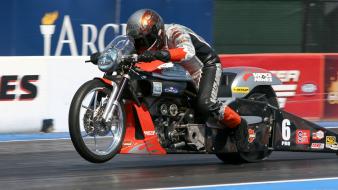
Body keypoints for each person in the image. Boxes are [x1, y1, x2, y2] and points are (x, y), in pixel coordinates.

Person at [126, 9, 249, 151]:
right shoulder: (146, 44)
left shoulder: (175, 32)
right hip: (182, 70)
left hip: (206, 66)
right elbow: (129, 51)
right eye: (138, 42)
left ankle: (239, 124)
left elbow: (187, 51)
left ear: (157, 33)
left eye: (144, 41)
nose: (142, 46)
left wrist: (161, 54)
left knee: (206, 103)